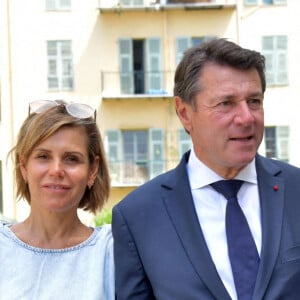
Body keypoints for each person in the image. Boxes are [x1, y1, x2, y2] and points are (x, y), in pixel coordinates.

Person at [112, 38, 300, 299]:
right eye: (226, 103)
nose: (246, 117)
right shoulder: (138, 216)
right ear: (184, 113)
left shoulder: (296, 190)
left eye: (254, 101)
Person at [0, 100, 114, 299]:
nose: (56, 170)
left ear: (92, 170)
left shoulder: (111, 252)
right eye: (43, 156)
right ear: (24, 165)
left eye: (72, 159)